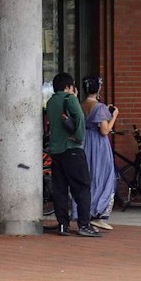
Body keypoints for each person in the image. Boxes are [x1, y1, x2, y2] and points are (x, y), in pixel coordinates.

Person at [44, 72, 98, 238]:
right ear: (68, 86)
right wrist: (79, 137)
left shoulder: (51, 102)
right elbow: (80, 118)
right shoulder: (70, 99)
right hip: (72, 149)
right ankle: (84, 224)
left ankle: (63, 225)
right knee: (82, 187)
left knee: (60, 189)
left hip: (57, 152)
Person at [81, 76, 117, 231]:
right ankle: (98, 213)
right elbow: (104, 130)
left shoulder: (81, 104)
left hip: (85, 142)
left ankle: (87, 213)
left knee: (89, 177)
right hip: (99, 145)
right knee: (103, 177)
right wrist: (114, 115)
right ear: (98, 89)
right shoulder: (100, 107)